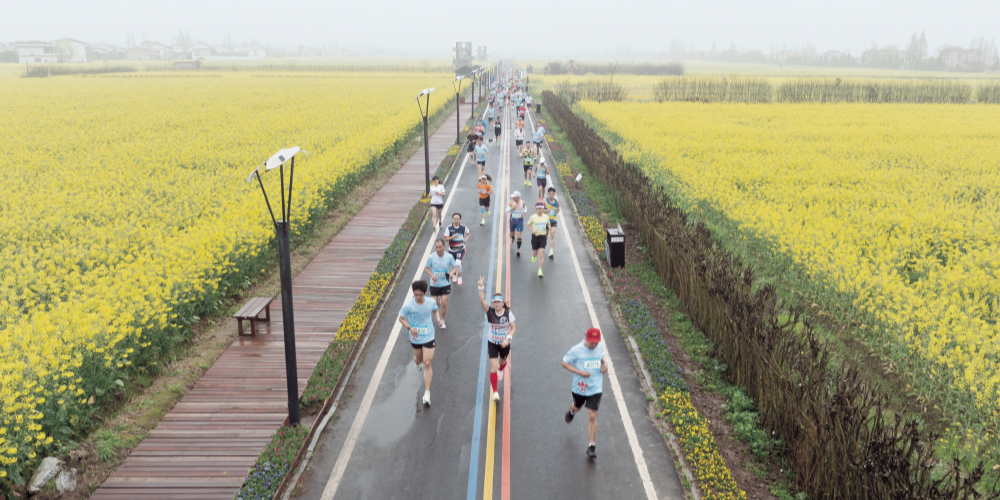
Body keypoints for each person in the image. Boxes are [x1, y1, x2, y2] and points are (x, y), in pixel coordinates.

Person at [562, 328, 608, 458]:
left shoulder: (599, 347)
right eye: (591, 342)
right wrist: (579, 372)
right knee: (577, 406)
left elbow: (601, 354)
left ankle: (591, 446)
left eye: (596, 343)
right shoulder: (576, 350)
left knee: (592, 415)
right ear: (585, 338)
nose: (594, 345)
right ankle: (572, 411)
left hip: (595, 387)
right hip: (580, 387)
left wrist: (604, 362)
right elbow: (564, 363)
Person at [398, 280, 444, 406]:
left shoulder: (430, 302)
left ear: (424, 293)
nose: (418, 297)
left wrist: (438, 319)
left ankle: (427, 393)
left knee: (427, 362)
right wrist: (410, 328)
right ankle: (417, 363)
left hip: (428, 335)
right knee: (418, 360)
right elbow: (400, 318)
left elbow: (435, 310)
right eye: (415, 294)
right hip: (415, 338)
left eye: (420, 294)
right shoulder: (408, 305)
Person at [477, 277, 515, 403]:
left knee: (503, 363)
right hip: (492, 343)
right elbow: (482, 301)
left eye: (499, 302)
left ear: (502, 302)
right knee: (493, 368)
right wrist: (481, 287)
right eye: (494, 302)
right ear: (493, 303)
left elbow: (513, 328)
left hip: (504, 344)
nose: (496, 304)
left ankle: (501, 370)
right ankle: (495, 392)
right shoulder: (490, 312)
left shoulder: (508, 314)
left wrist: (508, 338)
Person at [424, 239, 457, 329]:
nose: (438, 249)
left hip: (445, 283)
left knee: (444, 303)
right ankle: (438, 319)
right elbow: (426, 268)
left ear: (444, 247)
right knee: (434, 304)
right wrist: (432, 275)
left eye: (440, 247)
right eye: (436, 247)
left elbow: (455, 267)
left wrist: (451, 273)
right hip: (434, 284)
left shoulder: (449, 257)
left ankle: (441, 320)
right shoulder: (431, 257)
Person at [444, 213, 470, 285]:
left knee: (458, 263)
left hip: (460, 249)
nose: (456, 220)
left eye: (457, 219)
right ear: (452, 219)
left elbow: (468, 233)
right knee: (453, 264)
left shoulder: (463, 227)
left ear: (460, 219)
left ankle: (459, 276)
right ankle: (455, 274)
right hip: (451, 250)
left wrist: (465, 240)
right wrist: (453, 237)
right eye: (454, 219)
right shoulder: (449, 228)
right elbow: (446, 239)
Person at [526, 202, 550, 277]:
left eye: (541, 209)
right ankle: (533, 256)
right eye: (538, 209)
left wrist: (549, 227)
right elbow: (528, 225)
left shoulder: (546, 217)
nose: (540, 210)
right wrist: (532, 230)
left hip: (543, 237)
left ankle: (540, 270)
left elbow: (548, 223)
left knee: (541, 253)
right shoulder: (533, 217)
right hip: (535, 237)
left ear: (543, 209)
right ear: (536, 209)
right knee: (535, 253)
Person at [506, 191, 527, 257]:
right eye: (512, 196)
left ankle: (518, 249)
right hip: (512, 220)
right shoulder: (511, 202)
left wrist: (523, 214)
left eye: (514, 196)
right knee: (512, 234)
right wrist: (512, 208)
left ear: (518, 197)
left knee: (518, 234)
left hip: (519, 221)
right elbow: (506, 210)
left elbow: (525, 209)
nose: (512, 197)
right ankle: (512, 238)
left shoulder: (522, 203)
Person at [544, 187, 561, 259]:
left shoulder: (557, 201)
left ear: (554, 194)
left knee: (552, 234)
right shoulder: (544, 201)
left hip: (553, 221)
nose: (551, 195)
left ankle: (551, 251)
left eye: (552, 194)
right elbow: (538, 209)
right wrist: (546, 211)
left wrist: (558, 209)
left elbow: (558, 206)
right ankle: (543, 246)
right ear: (547, 194)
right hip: (546, 221)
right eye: (550, 194)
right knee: (545, 236)